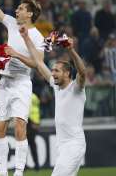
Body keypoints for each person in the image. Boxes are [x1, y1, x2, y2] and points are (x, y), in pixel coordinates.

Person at [0, 0, 44, 175]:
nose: (16, 11)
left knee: (19, 126)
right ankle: (3, 173)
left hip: (22, 83)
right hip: (4, 83)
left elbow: (38, 64)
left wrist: (16, 54)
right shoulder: (11, 23)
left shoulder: (38, 37)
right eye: (17, 8)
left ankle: (18, 172)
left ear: (30, 13)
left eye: (20, 8)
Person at [19, 26, 86, 176]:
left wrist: (70, 50)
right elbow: (38, 63)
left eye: (57, 71)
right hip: (62, 146)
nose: (53, 73)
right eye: (53, 70)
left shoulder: (76, 88)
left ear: (67, 73)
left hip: (74, 145)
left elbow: (82, 72)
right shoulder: (57, 88)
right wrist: (26, 38)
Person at [27, 93, 40, 171]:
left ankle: (23, 166)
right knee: (32, 145)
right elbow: (37, 109)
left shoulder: (25, 95)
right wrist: (37, 123)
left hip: (28, 122)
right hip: (35, 122)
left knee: (24, 145)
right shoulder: (35, 96)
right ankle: (37, 165)